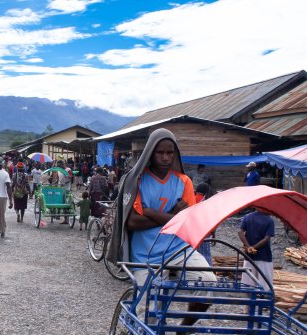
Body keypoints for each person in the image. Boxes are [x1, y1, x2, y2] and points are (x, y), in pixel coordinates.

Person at [106, 128, 216, 332]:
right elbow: (132, 223)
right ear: (150, 153)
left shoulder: (183, 182)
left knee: (209, 284)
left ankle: (183, 328)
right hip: (145, 255)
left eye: (170, 153)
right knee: (148, 312)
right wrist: (173, 215)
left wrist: (152, 213)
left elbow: (187, 220)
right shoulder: (137, 180)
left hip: (177, 249)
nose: (165, 157)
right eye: (160, 153)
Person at [238, 209, 274, 290]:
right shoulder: (269, 221)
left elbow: (240, 231)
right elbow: (266, 238)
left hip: (249, 256)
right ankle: (265, 299)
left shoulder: (247, 217)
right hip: (264, 256)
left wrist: (248, 246)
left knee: (247, 284)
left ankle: (248, 300)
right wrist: (253, 247)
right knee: (266, 285)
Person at [195, 182, 215, 266]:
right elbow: (212, 219)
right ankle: (208, 272)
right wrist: (213, 233)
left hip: (191, 231)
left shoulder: (192, 198)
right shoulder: (208, 201)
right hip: (204, 232)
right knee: (205, 254)